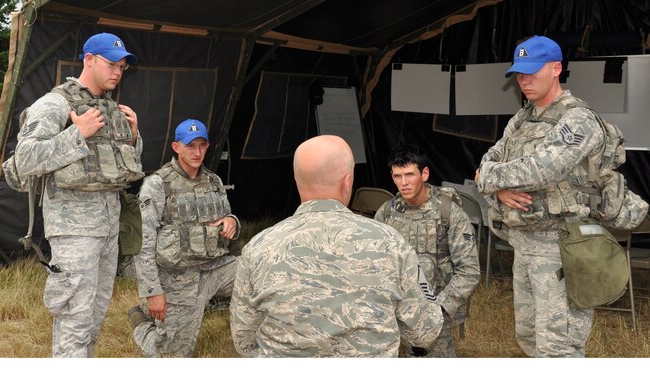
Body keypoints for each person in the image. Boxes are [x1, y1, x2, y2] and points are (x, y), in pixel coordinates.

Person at [229, 135, 443, 357]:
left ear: (297, 179)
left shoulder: (259, 247)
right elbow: (425, 331)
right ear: (347, 181)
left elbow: (243, 339)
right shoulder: (391, 243)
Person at [13, 32, 142, 357]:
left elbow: (121, 166)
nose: (118, 71)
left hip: (107, 233)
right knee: (74, 325)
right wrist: (77, 134)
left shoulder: (109, 109)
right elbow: (24, 160)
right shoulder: (54, 104)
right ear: (88, 60)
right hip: (74, 235)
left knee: (93, 321)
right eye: (112, 63)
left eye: (123, 66)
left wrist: (133, 137)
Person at [475, 35, 604, 357]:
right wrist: (500, 189)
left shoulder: (578, 120)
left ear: (557, 68)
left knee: (558, 345)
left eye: (532, 71)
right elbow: (487, 162)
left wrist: (488, 178)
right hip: (525, 244)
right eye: (519, 73)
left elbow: (540, 170)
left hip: (561, 247)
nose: (524, 80)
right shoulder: (521, 120)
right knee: (529, 336)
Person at [128, 118, 240, 357]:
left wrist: (232, 222)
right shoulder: (157, 185)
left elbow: (227, 216)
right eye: (190, 145)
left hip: (215, 267)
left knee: (258, 272)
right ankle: (141, 324)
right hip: (178, 277)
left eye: (202, 145)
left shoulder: (214, 181)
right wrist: (152, 292)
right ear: (176, 147)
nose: (197, 152)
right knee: (172, 356)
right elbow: (143, 242)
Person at [374, 146, 480, 357]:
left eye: (410, 175)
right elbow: (376, 266)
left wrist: (436, 309)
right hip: (398, 312)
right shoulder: (386, 213)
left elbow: (469, 270)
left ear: (424, 174)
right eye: (398, 176)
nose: (404, 183)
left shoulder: (449, 213)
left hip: (437, 309)